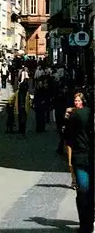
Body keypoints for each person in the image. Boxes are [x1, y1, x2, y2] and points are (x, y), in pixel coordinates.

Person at [64, 92, 93, 233]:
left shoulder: (75, 116)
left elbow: (67, 138)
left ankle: (85, 225)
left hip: (81, 157)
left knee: (83, 192)